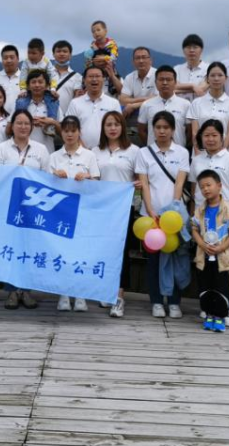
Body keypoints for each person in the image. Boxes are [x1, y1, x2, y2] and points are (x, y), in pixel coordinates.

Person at [190, 119, 229, 326]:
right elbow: (193, 190)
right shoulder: (197, 160)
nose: (210, 139)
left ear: (222, 137)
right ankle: (209, 307)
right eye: (206, 135)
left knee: (228, 266)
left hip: (225, 219)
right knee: (206, 269)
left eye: (214, 135)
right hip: (204, 218)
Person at [0, 109, 50, 311]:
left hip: (33, 209)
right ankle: (11, 291)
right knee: (10, 247)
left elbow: (47, 178)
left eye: (27, 123)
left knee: (29, 248)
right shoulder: (2, 149)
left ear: (32, 127)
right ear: (12, 125)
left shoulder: (41, 149)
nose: (23, 127)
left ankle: (26, 290)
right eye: (19, 123)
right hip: (8, 206)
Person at [133, 111, 190, 319]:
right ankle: (156, 301)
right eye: (158, 127)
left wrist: (171, 212)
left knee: (175, 258)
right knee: (154, 261)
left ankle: (174, 302)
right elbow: (145, 184)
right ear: (153, 130)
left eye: (166, 127)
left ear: (173, 130)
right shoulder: (144, 153)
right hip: (150, 216)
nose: (162, 131)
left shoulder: (182, 152)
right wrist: (151, 211)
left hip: (174, 216)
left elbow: (179, 184)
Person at [47, 116, 101, 313]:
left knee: (81, 252)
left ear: (79, 132)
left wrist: (87, 177)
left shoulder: (89, 156)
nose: (69, 134)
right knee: (61, 252)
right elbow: (45, 185)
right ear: (61, 133)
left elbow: (98, 184)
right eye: (66, 131)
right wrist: (54, 176)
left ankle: (80, 294)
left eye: (73, 130)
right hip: (60, 212)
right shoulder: (54, 157)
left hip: (83, 211)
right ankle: (63, 293)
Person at [94, 111, 141, 318]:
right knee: (103, 251)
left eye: (116, 124)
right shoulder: (95, 151)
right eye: (108, 125)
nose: (112, 128)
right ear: (103, 128)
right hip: (101, 210)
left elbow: (141, 179)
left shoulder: (134, 151)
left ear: (123, 127)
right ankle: (106, 290)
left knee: (122, 253)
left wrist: (138, 185)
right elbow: (93, 179)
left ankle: (119, 296)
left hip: (124, 209)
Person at [190, 170, 229, 331]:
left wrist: (221, 247)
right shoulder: (200, 209)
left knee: (222, 287)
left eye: (209, 185)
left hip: (224, 258)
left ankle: (220, 316)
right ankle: (209, 314)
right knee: (206, 286)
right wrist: (202, 244)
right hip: (204, 256)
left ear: (219, 186)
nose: (205, 189)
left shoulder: (228, 208)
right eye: (202, 187)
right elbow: (194, 229)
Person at [186, 62, 229, 154]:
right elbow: (195, 132)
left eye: (220, 75)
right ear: (207, 78)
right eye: (212, 75)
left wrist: (221, 154)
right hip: (201, 154)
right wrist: (199, 155)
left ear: (226, 78)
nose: (216, 79)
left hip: (224, 155)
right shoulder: (196, 103)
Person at [66, 65, 121, 150]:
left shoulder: (113, 103)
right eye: (91, 76)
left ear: (103, 79)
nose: (94, 79)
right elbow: (70, 128)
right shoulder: (75, 103)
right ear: (84, 80)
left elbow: (118, 129)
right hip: (81, 152)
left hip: (106, 151)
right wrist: (84, 151)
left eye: (98, 76)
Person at [138, 65, 191, 149]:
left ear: (175, 82)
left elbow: (190, 132)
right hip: (153, 153)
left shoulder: (186, 105)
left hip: (178, 152)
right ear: (155, 82)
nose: (165, 83)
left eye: (169, 80)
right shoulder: (146, 105)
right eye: (161, 79)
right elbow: (141, 131)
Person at [16, 69, 62, 147]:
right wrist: (27, 122)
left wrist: (52, 122)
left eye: (40, 82)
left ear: (47, 86)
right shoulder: (20, 104)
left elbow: (63, 133)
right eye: (33, 82)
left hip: (47, 151)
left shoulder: (53, 104)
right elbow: (8, 131)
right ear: (28, 86)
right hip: (23, 150)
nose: (37, 85)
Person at [83, 19, 121, 95]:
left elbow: (114, 57)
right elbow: (89, 60)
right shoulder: (92, 46)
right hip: (96, 70)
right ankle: (85, 89)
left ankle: (113, 89)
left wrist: (104, 58)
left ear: (105, 31)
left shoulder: (112, 44)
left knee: (115, 80)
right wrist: (89, 62)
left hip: (110, 69)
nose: (96, 33)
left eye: (98, 30)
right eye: (93, 31)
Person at [119, 47, 157, 121]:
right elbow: (123, 100)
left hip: (155, 113)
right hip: (136, 115)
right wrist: (146, 98)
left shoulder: (158, 75)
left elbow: (159, 98)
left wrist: (134, 105)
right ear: (133, 62)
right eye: (137, 58)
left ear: (150, 60)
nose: (141, 61)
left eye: (144, 57)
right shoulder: (129, 77)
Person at [52, 39, 84, 113]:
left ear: (70, 55)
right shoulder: (46, 74)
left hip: (67, 116)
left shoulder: (77, 77)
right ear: (53, 55)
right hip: (47, 116)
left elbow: (77, 98)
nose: (62, 54)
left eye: (65, 51)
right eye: (58, 51)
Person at [175, 33, 208, 100]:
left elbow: (202, 88)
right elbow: (173, 86)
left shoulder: (209, 68)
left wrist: (179, 90)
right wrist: (192, 86)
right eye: (188, 47)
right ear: (183, 51)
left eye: (195, 47)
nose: (191, 50)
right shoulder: (177, 69)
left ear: (201, 50)